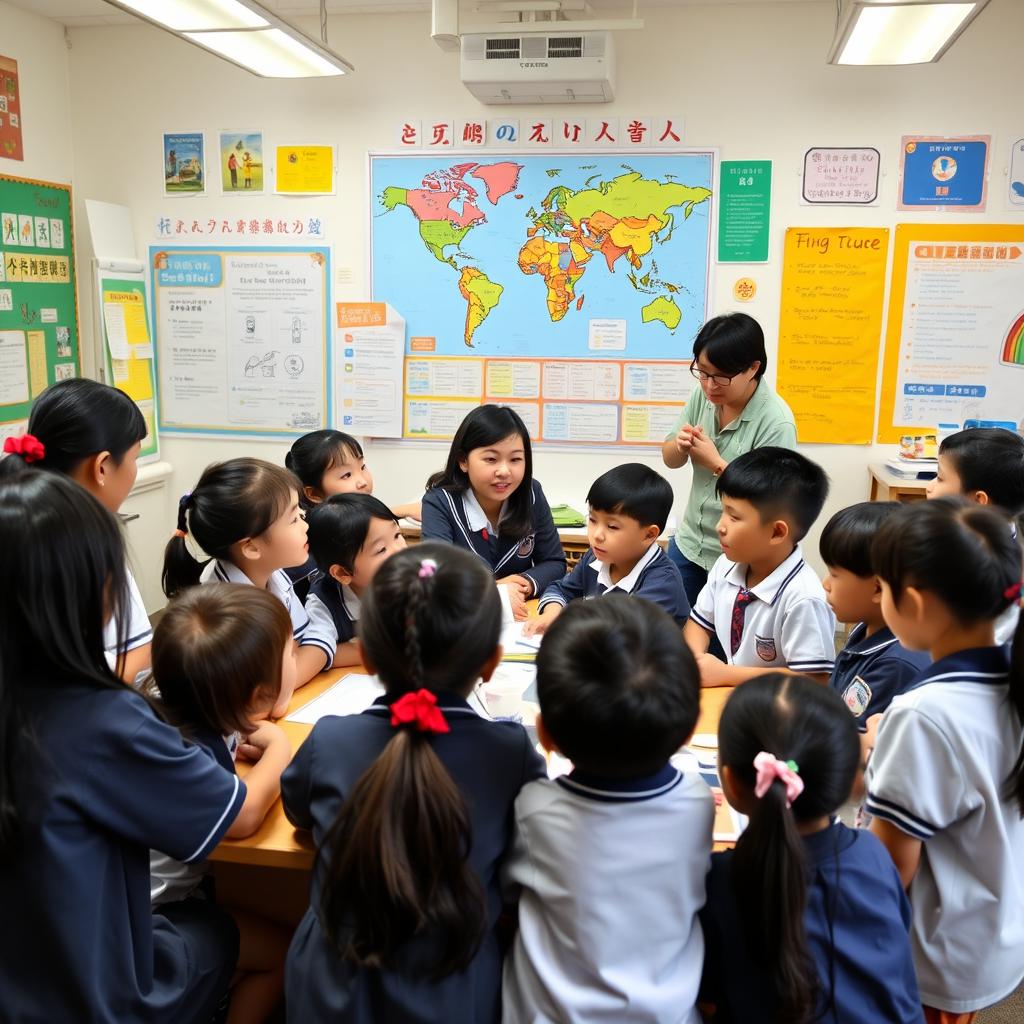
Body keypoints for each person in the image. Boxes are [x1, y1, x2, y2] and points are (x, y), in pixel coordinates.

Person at [0, 459, 241, 1022]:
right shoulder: (102, 719)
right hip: (99, 995)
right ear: (94, 592)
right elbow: (229, 817)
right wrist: (270, 744)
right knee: (226, 929)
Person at [281, 543, 545, 1022]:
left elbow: (298, 814)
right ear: (491, 663)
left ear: (367, 657)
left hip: (329, 989)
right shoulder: (509, 754)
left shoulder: (331, 740)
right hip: (453, 992)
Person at [503, 597, 712, 1023]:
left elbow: (507, 891)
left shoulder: (535, 809)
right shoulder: (696, 803)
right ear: (690, 728)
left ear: (544, 734)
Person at [865, 498, 1024, 1023]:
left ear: (913, 601)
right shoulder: (1005, 674)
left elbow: (890, 865)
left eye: (882, 589)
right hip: (989, 924)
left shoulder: (924, 715)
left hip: (931, 952)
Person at [700, 674, 923, 1024]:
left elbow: (708, 1001)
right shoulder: (874, 856)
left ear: (729, 780)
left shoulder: (718, 880)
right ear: (850, 777)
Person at [148, 585, 293, 1024]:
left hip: (119, 904)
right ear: (256, 696)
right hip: (151, 924)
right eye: (291, 653)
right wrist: (278, 749)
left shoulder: (165, 710)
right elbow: (246, 816)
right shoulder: (191, 752)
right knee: (281, 955)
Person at [2, 377, 151, 682]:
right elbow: (135, 653)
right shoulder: (92, 542)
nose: (135, 469)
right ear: (102, 467)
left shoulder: (13, 521)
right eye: (135, 457)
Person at [163, 457, 337, 714]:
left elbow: (298, 647)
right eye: (293, 519)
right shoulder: (223, 610)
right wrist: (325, 636)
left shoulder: (273, 575)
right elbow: (273, 695)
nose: (306, 524)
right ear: (251, 547)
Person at [662, 313, 797, 616]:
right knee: (674, 638)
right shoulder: (704, 395)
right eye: (703, 371)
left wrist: (718, 464)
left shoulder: (777, 422)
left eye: (721, 376)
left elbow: (771, 503)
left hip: (739, 559)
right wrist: (680, 447)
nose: (710, 385)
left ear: (753, 368)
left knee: (720, 650)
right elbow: (669, 458)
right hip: (688, 547)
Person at [684, 447, 835, 687]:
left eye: (734, 517)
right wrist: (695, 660)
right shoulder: (725, 566)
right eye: (723, 511)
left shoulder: (804, 598)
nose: (720, 526)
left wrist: (726, 674)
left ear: (776, 532)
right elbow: (699, 625)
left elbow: (814, 680)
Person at [422, 405, 566, 620]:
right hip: (464, 620)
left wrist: (524, 582)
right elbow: (434, 575)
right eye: (491, 459)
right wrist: (494, 590)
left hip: (521, 617)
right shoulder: (439, 502)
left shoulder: (531, 494)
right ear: (463, 461)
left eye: (515, 459)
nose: (504, 471)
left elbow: (555, 562)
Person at [525, 462, 688, 635]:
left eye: (612, 526)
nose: (597, 535)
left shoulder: (662, 582)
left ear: (649, 535)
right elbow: (561, 589)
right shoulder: (595, 558)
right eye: (593, 520)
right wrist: (552, 612)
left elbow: (621, 635)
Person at [820, 502, 930, 728]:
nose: (826, 583)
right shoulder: (868, 628)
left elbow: (851, 744)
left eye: (834, 574)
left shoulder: (896, 664)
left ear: (878, 589)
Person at [284, 429, 420, 598]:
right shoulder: (314, 550)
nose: (363, 481)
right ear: (314, 494)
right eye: (346, 475)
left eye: (362, 467)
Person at [926, 426, 1024, 644]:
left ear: (978, 501)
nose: (929, 487)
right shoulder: (961, 540)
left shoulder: (987, 569)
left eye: (940, 478)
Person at [305, 493, 408, 667]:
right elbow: (312, 655)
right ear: (343, 573)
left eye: (397, 535)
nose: (400, 551)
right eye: (381, 549)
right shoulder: (324, 604)